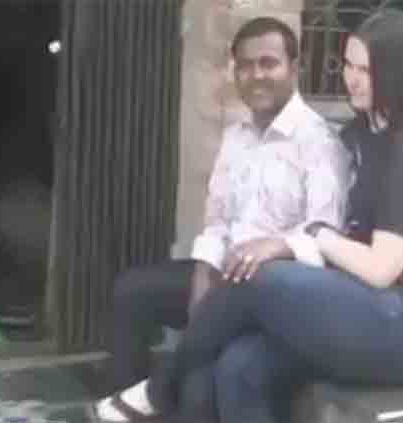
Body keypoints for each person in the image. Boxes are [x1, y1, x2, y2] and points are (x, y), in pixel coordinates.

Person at [99, 10, 403, 423]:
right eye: (349, 65)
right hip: (360, 302)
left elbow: (381, 268)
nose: (352, 79)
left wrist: (316, 234)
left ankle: (158, 389)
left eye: (366, 70)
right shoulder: (362, 135)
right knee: (239, 368)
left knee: (258, 273)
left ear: (396, 73)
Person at [88, 16, 352, 422]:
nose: (256, 75)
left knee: (200, 384)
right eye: (245, 65)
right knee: (132, 292)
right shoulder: (236, 137)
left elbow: (325, 237)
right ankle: (124, 408)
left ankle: (156, 398)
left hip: (272, 294)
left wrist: (278, 246)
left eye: (268, 63)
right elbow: (216, 224)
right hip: (223, 276)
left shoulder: (319, 142)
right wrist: (201, 287)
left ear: (294, 68)